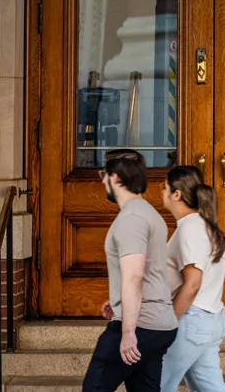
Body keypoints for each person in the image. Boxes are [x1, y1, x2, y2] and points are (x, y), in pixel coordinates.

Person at [82, 149, 178, 392]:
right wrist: (118, 298)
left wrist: (127, 332)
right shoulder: (148, 213)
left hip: (140, 325)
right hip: (158, 323)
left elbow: (134, 277)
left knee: (94, 388)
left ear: (115, 178)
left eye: (104, 174)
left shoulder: (131, 219)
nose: (102, 180)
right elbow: (146, 271)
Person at [158, 165, 225, 392]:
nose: (162, 193)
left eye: (164, 188)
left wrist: (166, 324)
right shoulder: (204, 226)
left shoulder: (191, 228)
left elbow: (192, 285)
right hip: (208, 319)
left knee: (154, 386)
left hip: (192, 321)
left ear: (176, 194)